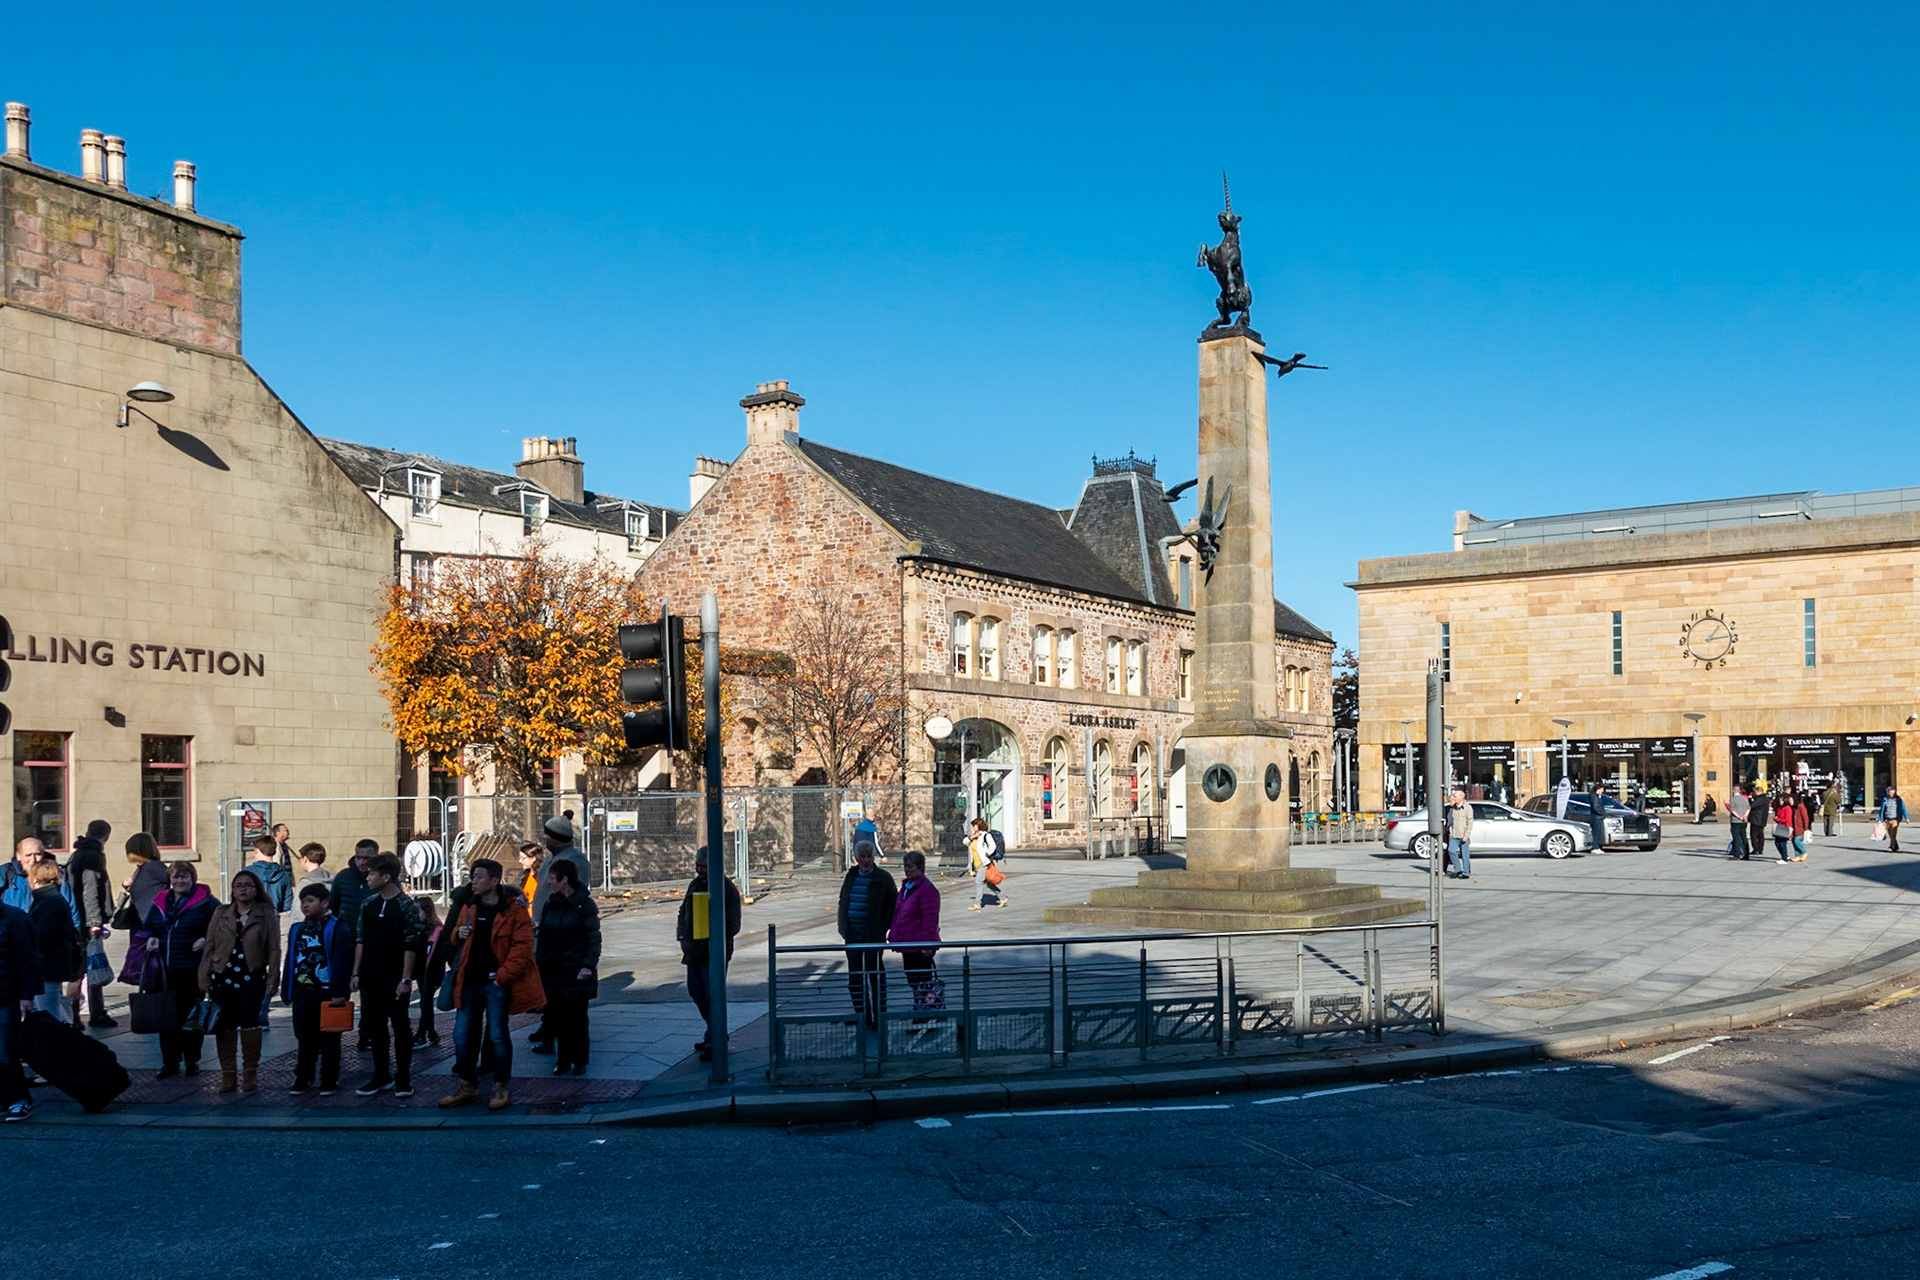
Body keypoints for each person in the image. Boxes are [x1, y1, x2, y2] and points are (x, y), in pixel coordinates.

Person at [438, 859, 544, 1112]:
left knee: (498, 1035)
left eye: (479, 877)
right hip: (469, 982)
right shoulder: (470, 906)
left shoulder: (513, 910)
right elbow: (454, 934)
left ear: (495, 881)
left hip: (495, 983)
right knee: (462, 1035)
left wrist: (501, 977)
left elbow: (522, 949)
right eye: (472, 876)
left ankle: (500, 1085)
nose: (473, 881)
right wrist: (457, 935)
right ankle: (467, 1085)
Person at [350, 853, 423, 1098]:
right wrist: (356, 972)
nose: (368, 877)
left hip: (394, 976)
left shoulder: (405, 906)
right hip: (371, 974)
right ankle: (381, 1074)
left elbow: (411, 942)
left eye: (372, 873)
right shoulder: (368, 904)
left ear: (386, 876)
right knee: (375, 1026)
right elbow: (360, 938)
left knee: (400, 1026)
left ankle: (403, 1076)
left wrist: (405, 978)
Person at [200, 869, 281, 1093]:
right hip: (223, 975)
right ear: (232, 891)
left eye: (248, 885)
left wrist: (273, 977)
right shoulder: (221, 912)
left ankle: (250, 1074)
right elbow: (210, 945)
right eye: (238, 885)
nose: (243, 889)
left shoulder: (265, 913)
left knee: (250, 1024)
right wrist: (204, 975)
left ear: (256, 889)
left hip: (251, 976)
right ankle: (228, 1074)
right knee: (224, 1026)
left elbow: (274, 948)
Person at [143, 862, 218, 1078]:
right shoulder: (160, 901)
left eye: (185, 877)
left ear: (193, 878)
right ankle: (169, 1062)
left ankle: (192, 1060)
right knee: (166, 1019)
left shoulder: (206, 903)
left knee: (190, 1017)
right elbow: (149, 926)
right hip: (164, 971)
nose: (180, 881)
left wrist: (206, 939)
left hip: (191, 969)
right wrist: (152, 938)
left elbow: (220, 927)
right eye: (176, 877)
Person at [283, 883, 353, 1096]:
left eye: (310, 901)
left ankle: (329, 1078)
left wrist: (339, 991)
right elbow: (291, 960)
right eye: (303, 901)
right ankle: (303, 1075)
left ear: (324, 903)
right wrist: (287, 988)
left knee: (329, 1037)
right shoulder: (297, 929)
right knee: (304, 1036)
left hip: (327, 991)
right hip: (302, 991)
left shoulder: (337, 926)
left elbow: (342, 960)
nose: (305, 905)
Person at [535, 859, 600, 1076]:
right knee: (558, 1016)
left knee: (577, 1017)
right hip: (554, 969)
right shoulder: (550, 905)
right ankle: (563, 1061)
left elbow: (593, 939)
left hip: (576, 970)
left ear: (564, 880)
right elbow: (543, 936)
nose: (548, 884)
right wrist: (540, 962)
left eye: (552, 879)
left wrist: (587, 966)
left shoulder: (584, 904)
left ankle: (579, 1060)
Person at [676, 849, 742, 1062]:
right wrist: (682, 935)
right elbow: (683, 910)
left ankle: (716, 1037)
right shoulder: (695, 884)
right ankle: (714, 1032)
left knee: (712, 995)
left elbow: (732, 923)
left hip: (712, 951)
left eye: (703, 866)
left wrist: (714, 939)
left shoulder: (725, 889)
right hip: (693, 950)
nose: (699, 870)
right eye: (697, 865)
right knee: (696, 992)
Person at [838, 838, 897, 1028]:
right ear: (856, 858)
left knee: (875, 975)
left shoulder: (883, 878)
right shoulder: (851, 877)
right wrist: (843, 926)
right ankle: (862, 1015)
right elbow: (843, 900)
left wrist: (883, 927)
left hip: (873, 934)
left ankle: (879, 1016)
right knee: (855, 977)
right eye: (861, 857)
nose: (865, 860)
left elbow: (892, 905)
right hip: (852, 933)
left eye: (868, 856)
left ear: (873, 857)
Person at [66, 819, 115, 1028]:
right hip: (86, 921)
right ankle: (87, 1014)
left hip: (78, 918)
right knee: (86, 967)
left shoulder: (78, 854)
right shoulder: (91, 856)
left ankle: (78, 1014)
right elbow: (90, 890)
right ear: (106, 837)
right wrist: (94, 922)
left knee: (83, 967)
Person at [0, 891, 40, 1122]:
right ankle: (6, 1097)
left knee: (5, 1053)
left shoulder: (15, 919)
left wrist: (27, 995)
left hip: (6, 996)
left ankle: (19, 1099)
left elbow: (27, 959)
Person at [888, 851, 942, 1018]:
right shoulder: (907, 887)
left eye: (910, 866)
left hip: (919, 944)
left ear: (920, 867)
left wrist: (928, 944)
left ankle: (927, 1011)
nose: (907, 870)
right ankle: (921, 1007)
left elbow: (929, 918)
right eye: (905, 866)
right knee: (913, 979)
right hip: (907, 942)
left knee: (923, 980)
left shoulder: (926, 889)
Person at [27, 861, 79, 1023]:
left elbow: (45, 935)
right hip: (52, 963)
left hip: (48, 964)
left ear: (35, 879)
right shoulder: (52, 899)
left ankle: (55, 1043)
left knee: (48, 1012)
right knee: (50, 1007)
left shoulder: (49, 901)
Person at [410, 895, 443, 1047]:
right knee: (426, 1003)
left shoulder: (436, 930)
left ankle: (422, 1034)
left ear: (426, 911)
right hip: (422, 972)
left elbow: (435, 955)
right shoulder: (421, 929)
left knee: (426, 1004)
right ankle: (431, 1033)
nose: (415, 915)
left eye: (417, 911)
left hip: (430, 973)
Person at [330, 840, 377, 943]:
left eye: (366, 858)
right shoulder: (343, 877)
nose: (361, 862)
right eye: (358, 857)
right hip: (346, 937)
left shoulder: (382, 878)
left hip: (374, 937)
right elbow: (332, 906)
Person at [968, 818, 1006, 910]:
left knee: (978, 882)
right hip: (977, 863)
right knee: (988, 883)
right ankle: (1003, 898)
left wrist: (987, 853)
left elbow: (993, 846)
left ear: (979, 825)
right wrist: (972, 837)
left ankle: (977, 904)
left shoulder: (986, 835)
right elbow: (965, 842)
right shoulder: (974, 836)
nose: (973, 827)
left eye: (974, 825)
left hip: (984, 862)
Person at [1445, 789, 1474, 880]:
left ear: (1461, 797)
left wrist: (1467, 834)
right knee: (1451, 850)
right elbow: (1450, 820)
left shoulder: (1467, 807)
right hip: (1454, 834)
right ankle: (1458, 870)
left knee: (1465, 855)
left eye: (1455, 796)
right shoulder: (1453, 808)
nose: (1453, 797)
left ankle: (1465, 873)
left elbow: (1470, 822)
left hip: (1463, 835)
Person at [1727, 786, 1752, 860]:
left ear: (1733, 791)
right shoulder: (1744, 799)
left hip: (1735, 821)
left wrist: (1739, 817)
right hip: (1744, 821)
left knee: (1736, 838)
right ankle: (1746, 854)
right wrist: (1745, 816)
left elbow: (1732, 810)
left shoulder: (1733, 799)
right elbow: (1748, 808)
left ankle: (1737, 854)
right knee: (1744, 837)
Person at [1771, 794, 1795, 862]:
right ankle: (1784, 855)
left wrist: (1778, 819)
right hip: (1780, 826)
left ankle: (1784, 858)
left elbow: (1786, 819)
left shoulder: (1787, 808)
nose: (1780, 802)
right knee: (1777, 843)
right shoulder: (1780, 808)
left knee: (1782, 843)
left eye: (1781, 800)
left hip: (1785, 827)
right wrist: (1776, 818)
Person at [1791, 791, 1812, 862]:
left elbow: (1805, 818)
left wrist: (1806, 828)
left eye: (1791, 800)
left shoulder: (1801, 807)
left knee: (1797, 840)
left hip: (1800, 827)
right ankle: (1797, 855)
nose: (1790, 801)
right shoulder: (1794, 807)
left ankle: (1803, 852)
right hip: (1794, 827)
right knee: (1793, 841)